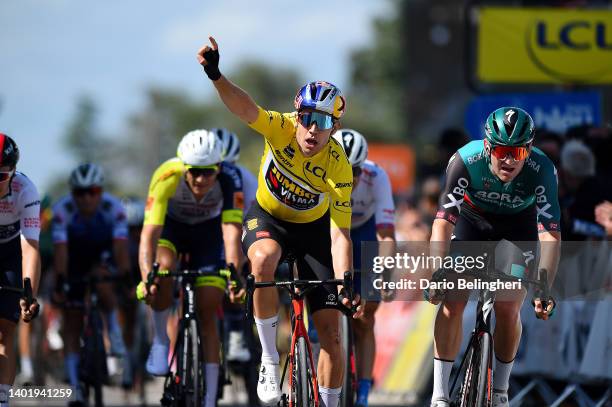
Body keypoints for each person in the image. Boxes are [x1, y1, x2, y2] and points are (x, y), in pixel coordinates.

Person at [197, 36, 363, 407]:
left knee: (332, 336)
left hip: (314, 233)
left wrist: (347, 280)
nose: (311, 130)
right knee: (262, 260)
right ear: (297, 113)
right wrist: (216, 75)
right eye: (307, 117)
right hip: (268, 219)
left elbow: (340, 234)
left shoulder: (338, 164)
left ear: (335, 127)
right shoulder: (282, 127)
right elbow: (245, 109)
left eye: (323, 122)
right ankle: (270, 361)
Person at [428, 107, 561, 407]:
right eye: (502, 151)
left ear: (528, 149)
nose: (509, 160)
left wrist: (545, 287)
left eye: (518, 152)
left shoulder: (542, 169)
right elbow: (442, 222)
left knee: (508, 304)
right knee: (453, 298)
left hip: (517, 228)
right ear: (488, 147)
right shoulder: (465, 160)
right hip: (472, 222)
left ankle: (500, 391)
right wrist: (437, 272)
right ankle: (439, 395)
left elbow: (550, 234)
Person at [137, 129, 244, 407]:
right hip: (171, 230)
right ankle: (161, 340)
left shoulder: (231, 180)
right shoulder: (166, 176)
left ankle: (209, 400)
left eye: (208, 172)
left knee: (208, 310)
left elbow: (232, 233)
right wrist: (146, 278)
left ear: (219, 167)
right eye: (194, 171)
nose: (200, 179)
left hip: (209, 236)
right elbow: (148, 235)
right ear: (184, 167)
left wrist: (235, 276)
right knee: (163, 271)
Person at [51, 163, 130, 403]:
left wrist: (124, 274)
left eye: (92, 191)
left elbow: (120, 248)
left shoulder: (114, 207)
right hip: (73, 258)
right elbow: (61, 251)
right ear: (73, 193)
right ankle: (75, 387)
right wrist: (60, 282)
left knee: (104, 283)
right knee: (72, 323)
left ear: (101, 191)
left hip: (102, 254)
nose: (86, 198)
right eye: (80, 193)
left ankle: (114, 333)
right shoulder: (62, 209)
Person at [333, 129, 396, 407]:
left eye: (355, 170)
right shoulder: (322, 173)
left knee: (365, 317)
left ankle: (364, 390)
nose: (352, 177)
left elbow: (386, 235)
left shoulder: (377, 176)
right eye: (345, 170)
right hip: (332, 230)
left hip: (365, 232)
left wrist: (385, 273)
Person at [0, 134, 41, 407]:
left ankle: (2, 397)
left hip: (12, 252)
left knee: (5, 330)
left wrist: (29, 295)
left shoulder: (26, 190)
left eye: (0, 176)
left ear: (13, 172)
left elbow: (30, 249)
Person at [212, 128, 256, 363]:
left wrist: (245, 259)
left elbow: (249, 223)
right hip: (208, 230)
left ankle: (237, 330)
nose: (223, 172)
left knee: (236, 273)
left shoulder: (246, 180)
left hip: (237, 230)